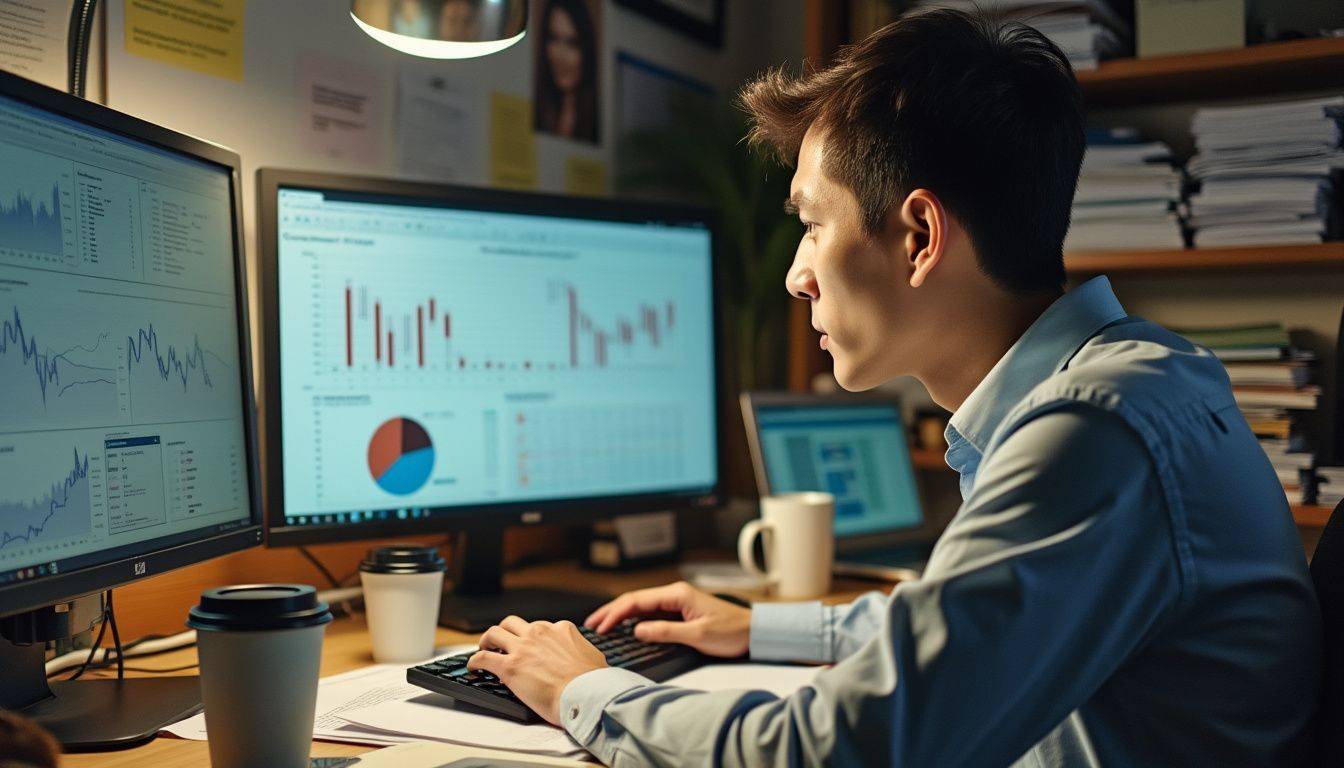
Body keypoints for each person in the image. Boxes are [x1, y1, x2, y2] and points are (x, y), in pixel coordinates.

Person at [466, 9, 1323, 766]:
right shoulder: (1133, 379)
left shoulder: (1091, 432)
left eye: (811, 224)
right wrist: (751, 626)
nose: (798, 275)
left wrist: (586, 693)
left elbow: (848, 749)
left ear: (918, 235)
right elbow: (967, 638)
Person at [534, 0, 598, 143]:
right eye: (554, 39)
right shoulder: (539, 113)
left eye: (572, 43)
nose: (560, 57)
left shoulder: (596, 120)